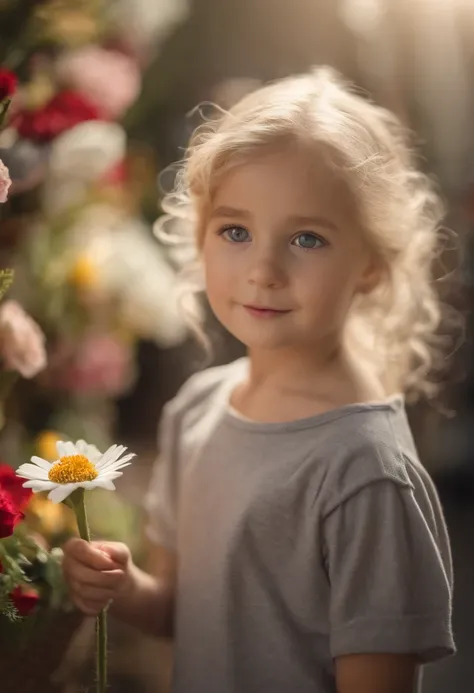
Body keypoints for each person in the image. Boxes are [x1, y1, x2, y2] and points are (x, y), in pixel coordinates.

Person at [62, 67, 456, 693]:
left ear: (372, 268)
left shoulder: (367, 475)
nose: (264, 270)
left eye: (307, 238)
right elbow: (179, 613)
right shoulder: (196, 409)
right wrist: (122, 586)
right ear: (200, 238)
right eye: (236, 231)